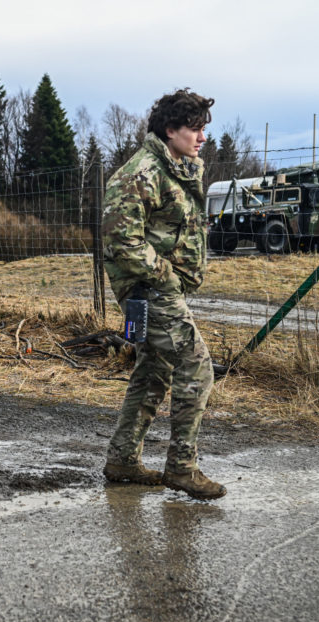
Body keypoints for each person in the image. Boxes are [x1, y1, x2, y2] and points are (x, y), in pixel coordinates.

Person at [100, 88, 226, 499]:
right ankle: (181, 467)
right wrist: (166, 275)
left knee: (154, 370)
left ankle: (122, 459)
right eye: (194, 129)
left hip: (161, 287)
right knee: (197, 366)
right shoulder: (142, 173)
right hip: (148, 287)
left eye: (203, 129)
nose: (202, 137)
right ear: (170, 130)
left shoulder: (177, 167)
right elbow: (121, 239)